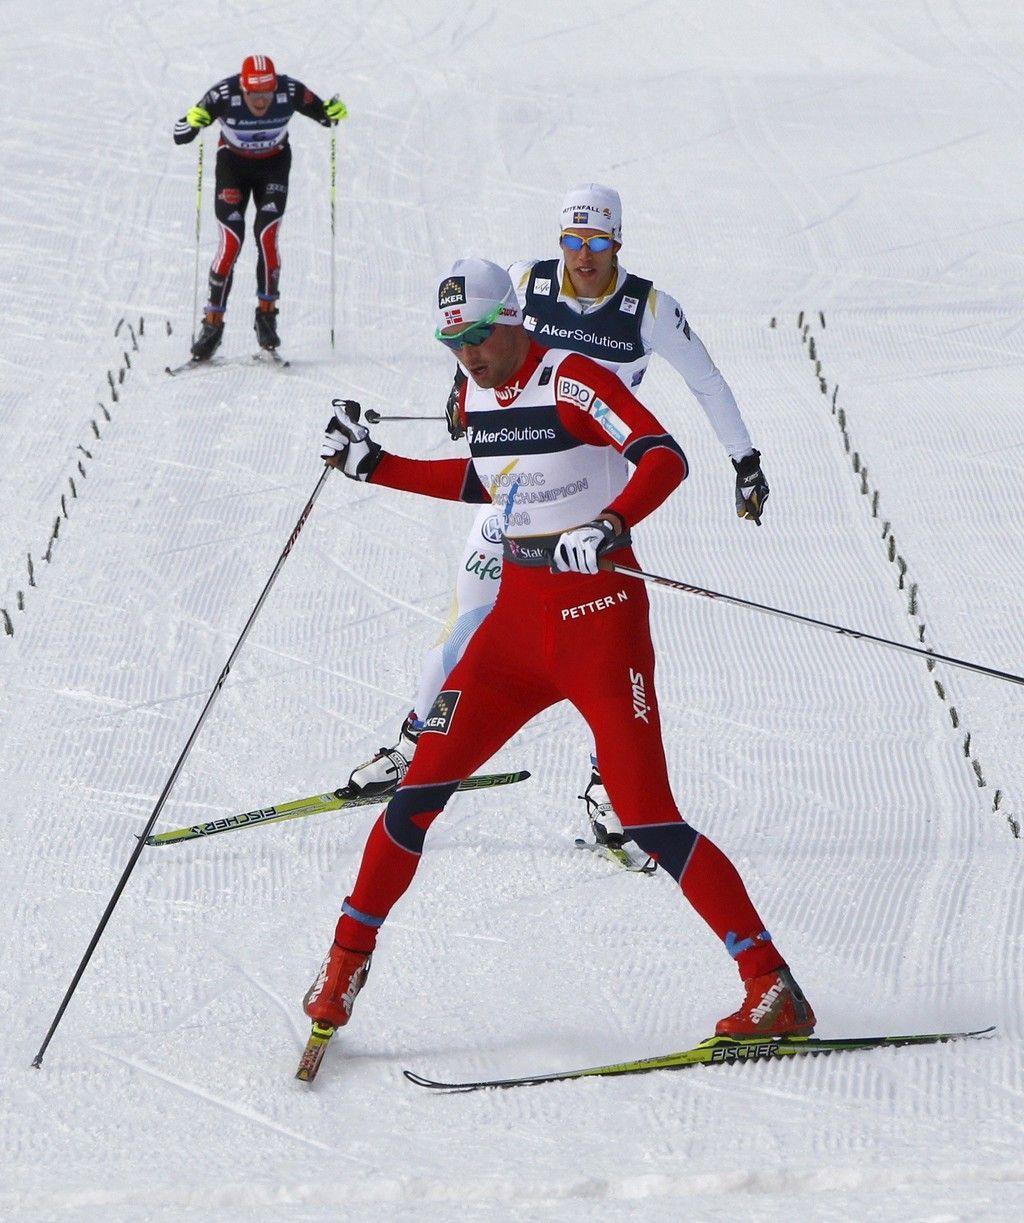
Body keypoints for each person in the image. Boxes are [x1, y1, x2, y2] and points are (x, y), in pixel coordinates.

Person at [304, 257, 815, 1041]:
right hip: (515, 625)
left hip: (600, 615)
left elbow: (663, 455)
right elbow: (494, 482)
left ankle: (771, 984)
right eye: (453, 341)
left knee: (646, 815)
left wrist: (608, 524)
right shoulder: (475, 391)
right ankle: (342, 971)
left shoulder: (571, 376)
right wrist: (374, 467)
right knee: (412, 801)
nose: (468, 353)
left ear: (511, 316)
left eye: (478, 334)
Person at [346, 184, 770, 854]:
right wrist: (460, 390)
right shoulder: (525, 281)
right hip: (514, 484)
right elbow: (475, 333)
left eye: (597, 243)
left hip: (586, 498)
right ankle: (415, 741)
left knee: (602, 654)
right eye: (572, 242)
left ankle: (612, 778)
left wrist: (744, 459)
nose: (583, 256)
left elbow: (706, 383)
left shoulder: (650, 308)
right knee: (468, 617)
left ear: (618, 242)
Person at [173, 55, 347, 359]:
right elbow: (180, 134)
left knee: (266, 238)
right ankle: (212, 326)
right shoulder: (223, 95)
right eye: (254, 95)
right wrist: (192, 121)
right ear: (243, 89)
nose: (261, 102)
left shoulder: (289, 90)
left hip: (273, 167)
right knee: (230, 243)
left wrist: (333, 111)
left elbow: (326, 115)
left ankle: (267, 319)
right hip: (232, 167)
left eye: (266, 95)